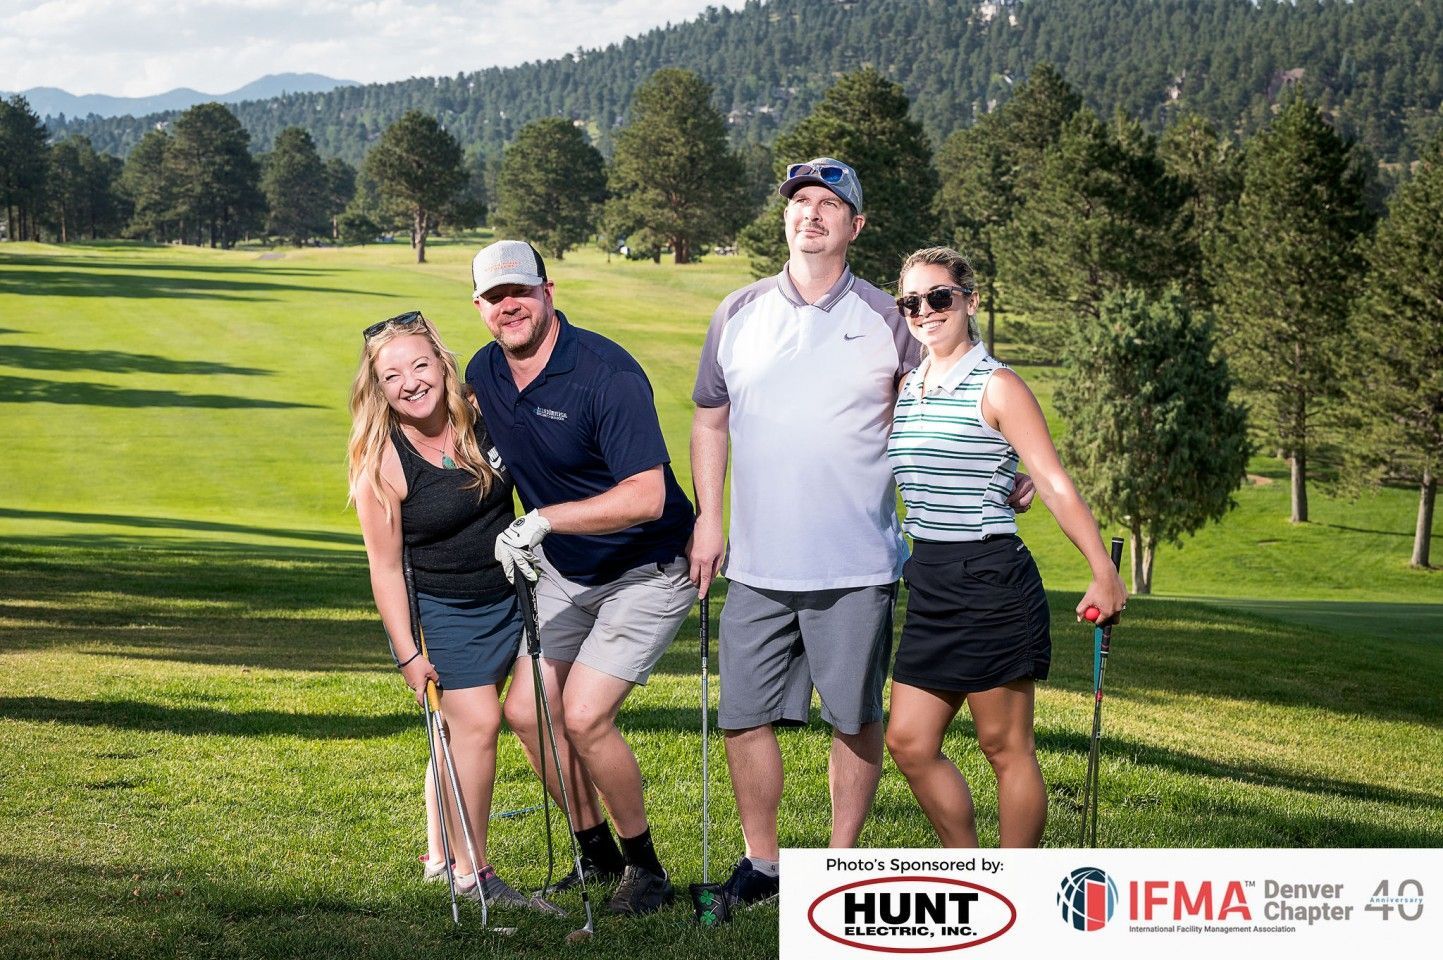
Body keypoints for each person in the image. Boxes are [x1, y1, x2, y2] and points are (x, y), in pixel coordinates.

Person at [689, 158, 1033, 903]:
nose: (809, 214)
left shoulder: (891, 318)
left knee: (854, 720)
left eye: (827, 204)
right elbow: (710, 416)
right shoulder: (737, 311)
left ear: (855, 225)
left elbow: (961, 385)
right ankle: (764, 864)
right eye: (799, 203)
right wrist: (708, 520)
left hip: (857, 565)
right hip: (754, 563)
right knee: (744, 719)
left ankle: (838, 862)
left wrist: (1012, 461)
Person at [464, 240, 696, 915]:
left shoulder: (604, 373)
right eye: (493, 297)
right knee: (526, 712)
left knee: (585, 715)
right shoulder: (486, 372)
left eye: (520, 292)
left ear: (548, 290)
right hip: (568, 568)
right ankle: (594, 854)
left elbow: (646, 496)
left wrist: (544, 519)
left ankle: (644, 870)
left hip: (647, 566)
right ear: (479, 307)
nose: (509, 306)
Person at [884, 246, 1128, 846]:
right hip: (933, 577)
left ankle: (1014, 898)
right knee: (909, 742)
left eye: (939, 297)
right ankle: (972, 877)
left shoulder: (998, 386)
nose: (925, 311)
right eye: (911, 302)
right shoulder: (909, 385)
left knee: (1004, 746)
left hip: (991, 578)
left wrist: (1102, 571)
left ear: (969, 300)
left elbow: (1051, 481)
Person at [347, 310, 555, 910]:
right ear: (378, 389)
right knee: (478, 726)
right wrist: (409, 655)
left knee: (461, 730)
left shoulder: (480, 416)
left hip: (516, 595)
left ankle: (441, 854)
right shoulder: (381, 463)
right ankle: (474, 874)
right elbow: (385, 569)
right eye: (392, 376)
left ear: (442, 363)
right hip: (448, 611)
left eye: (419, 365)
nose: (411, 382)